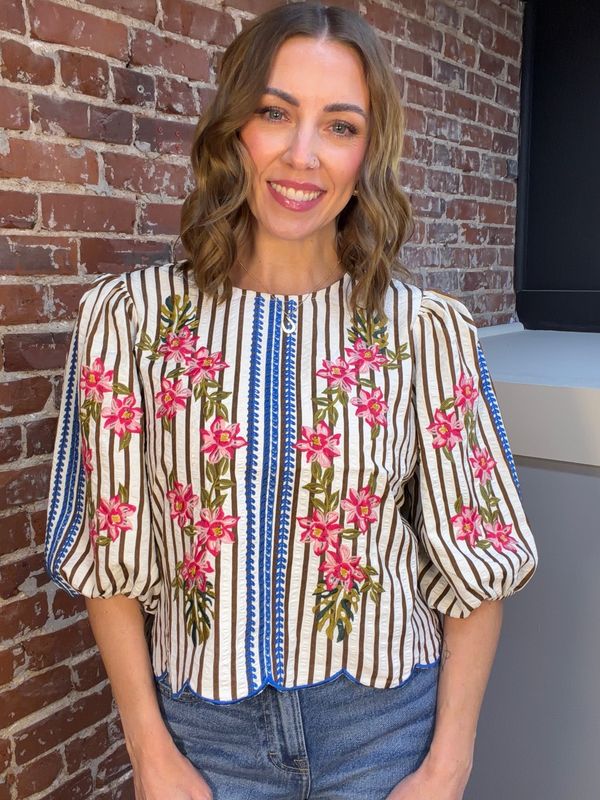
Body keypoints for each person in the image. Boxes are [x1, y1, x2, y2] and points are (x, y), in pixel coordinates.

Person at [44, 3, 539, 799]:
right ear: (234, 127)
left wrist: (448, 767)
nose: (303, 156)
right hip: (202, 737)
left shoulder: (428, 332)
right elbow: (110, 551)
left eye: (340, 126)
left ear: (368, 152)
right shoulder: (128, 321)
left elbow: (475, 564)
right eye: (275, 113)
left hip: (384, 734)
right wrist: (148, 751)